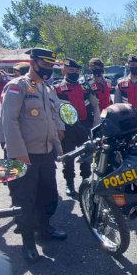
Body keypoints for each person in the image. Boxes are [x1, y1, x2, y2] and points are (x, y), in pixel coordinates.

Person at [0, 48, 67, 263]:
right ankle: (28, 243)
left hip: (45, 153)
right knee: (24, 201)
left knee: (47, 195)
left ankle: (45, 230)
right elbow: (9, 122)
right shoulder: (17, 87)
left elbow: (51, 121)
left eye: (50, 66)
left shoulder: (47, 89)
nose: (47, 69)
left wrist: (58, 149)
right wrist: (18, 154)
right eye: (44, 65)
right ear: (32, 62)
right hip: (25, 155)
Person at [53, 58, 100, 196]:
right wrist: (59, 128)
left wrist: (95, 127)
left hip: (84, 126)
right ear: (64, 70)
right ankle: (69, 184)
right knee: (69, 157)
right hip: (67, 128)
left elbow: (95, 106)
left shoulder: (85, 87)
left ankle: (86, 182)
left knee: (86, 156)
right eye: (71, 70)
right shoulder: (57, 88)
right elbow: (55, 110)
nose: (74, 73)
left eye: (76, 71)